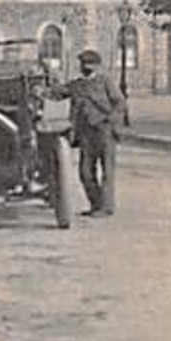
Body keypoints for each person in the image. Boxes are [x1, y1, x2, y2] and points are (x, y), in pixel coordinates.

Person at [48, 49, 127, 217]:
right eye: (84, 64)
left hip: (104, 131)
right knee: (85, 172)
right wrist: (45, 86)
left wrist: (111, 123)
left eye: (90, 64)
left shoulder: (105, 82)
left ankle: (106, 208)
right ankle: (96, 204)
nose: (87, 67)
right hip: (85, 134)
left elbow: (120, 103)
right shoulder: (76, 85)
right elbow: (57, 93)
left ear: (97, 66)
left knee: (107, 172)